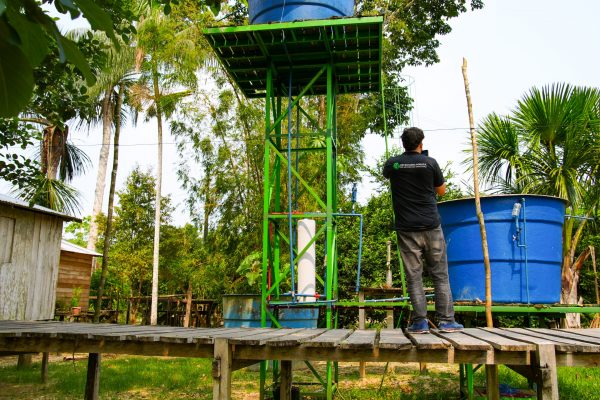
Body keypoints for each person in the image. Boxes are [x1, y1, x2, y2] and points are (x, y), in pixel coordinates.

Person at [383, 127, 463, 334]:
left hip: (407, 229)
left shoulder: (394, 163)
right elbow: (442, 190)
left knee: (414, 277)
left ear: (403, 143)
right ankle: (446, 321)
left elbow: (387, 174)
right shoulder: (430, 163)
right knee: (440, 276)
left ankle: (420, 322)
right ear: (422, 143)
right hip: (431, 227)